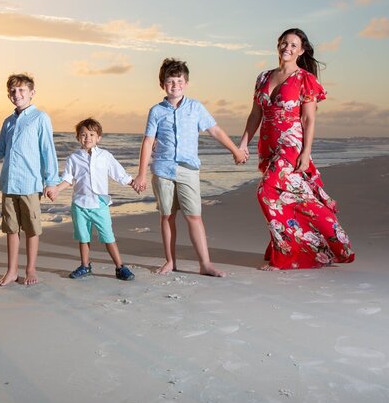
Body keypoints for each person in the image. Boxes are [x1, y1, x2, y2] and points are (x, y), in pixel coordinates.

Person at [237, 28, 355, 270]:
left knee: (267, 193)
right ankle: (329, 243)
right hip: (267, 145)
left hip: (291, 144)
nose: (287, 48)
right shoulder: (262, 77)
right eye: (284, 43)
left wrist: (305, 152)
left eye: (293, 45)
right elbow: (255, 115)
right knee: (291, 197)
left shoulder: (305, 79)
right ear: (278, 45)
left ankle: (287, 253)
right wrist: (243, 144)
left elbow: (309, 120)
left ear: (301, 51)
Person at [132, 58, 246, 277]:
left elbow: (215, 130)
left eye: (179, 81)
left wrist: (235, 150)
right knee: (167, 216)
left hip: (188, 170)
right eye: (170, 81)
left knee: (194, 216)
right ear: (162, 84)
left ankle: (205, 263)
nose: (175, 85)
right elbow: (148, 141)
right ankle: (170, 261)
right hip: (163, 170)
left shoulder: (195, 108)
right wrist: (141, 174)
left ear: (186, 83)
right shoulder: (156, 111)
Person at [0, 73, 60, 286]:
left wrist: (51, 181)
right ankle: (12, 270)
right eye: (13, 91)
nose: (17, 94)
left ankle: (30, 268)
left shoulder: (40, 118)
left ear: (32, 93)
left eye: (22, 90)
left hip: (30, 184)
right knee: (11, 228)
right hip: (9, 183)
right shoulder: (8, 122)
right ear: (9, 95)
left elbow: (48, 152)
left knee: (32, 228)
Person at [47, 118, 138, 281]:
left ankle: (120, 267)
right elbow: (68, 179)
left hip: (99, 204)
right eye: (83, 135)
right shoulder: (73, 158)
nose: (87, 138)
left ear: (99, 137)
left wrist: (132, 182)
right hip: (79, 205)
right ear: (77, 138)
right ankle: (85, 266)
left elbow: (118, 173)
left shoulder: (105, 156)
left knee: (108, 237)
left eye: (91, 134)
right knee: (83, 237)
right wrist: (56, 190)